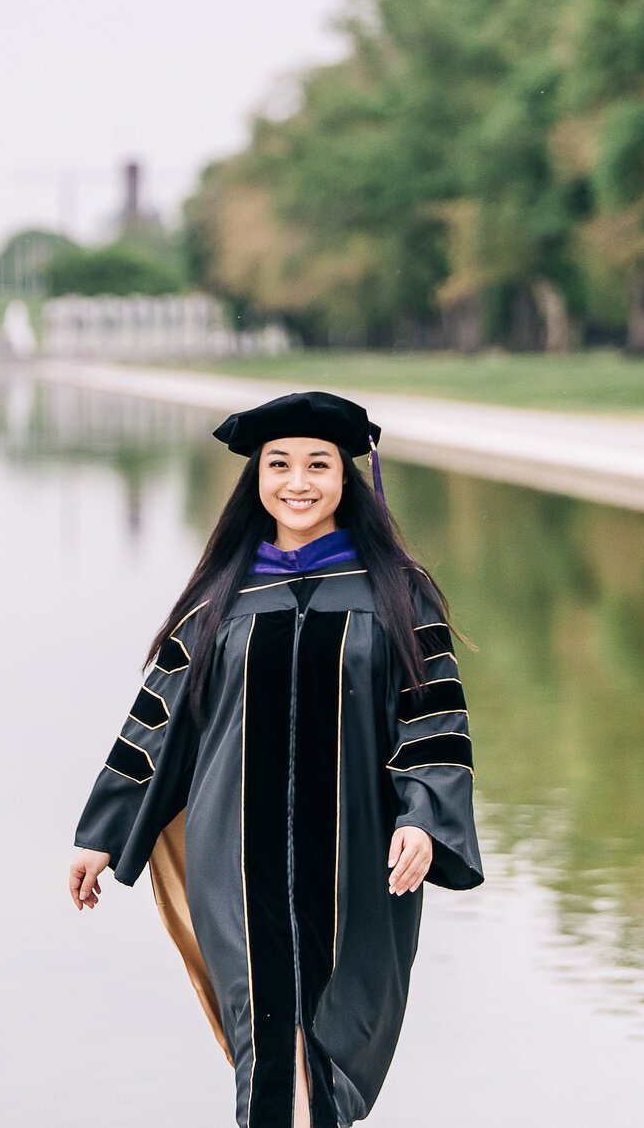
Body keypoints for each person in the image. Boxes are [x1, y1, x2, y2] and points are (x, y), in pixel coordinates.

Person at [67, 390, 481, 1127]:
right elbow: (157, 723)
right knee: (271, 1033)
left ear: (347, 478)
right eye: (279, 463)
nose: (298, 481)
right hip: (237, 860)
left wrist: (423, 819)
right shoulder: (219, 599)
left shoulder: (397, 594)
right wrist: (101, 830)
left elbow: (434, 721)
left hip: (356, 859)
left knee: (328, 1044)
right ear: (255, 477)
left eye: (319, 464)